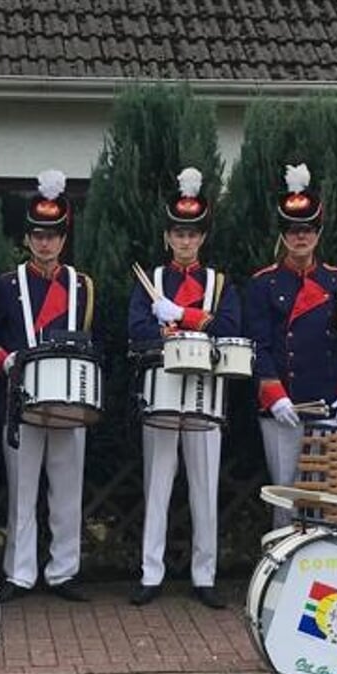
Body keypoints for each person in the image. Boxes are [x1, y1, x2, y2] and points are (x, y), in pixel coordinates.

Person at [0, 170, 97, 602]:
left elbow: (91, 340)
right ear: (27, 238)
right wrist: (4, 359)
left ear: (63, 239)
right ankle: (20, 573)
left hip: (69, 401)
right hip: (21, 399)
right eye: (37, 235)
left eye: (53, 235)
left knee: (67, 491)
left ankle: (64, 572)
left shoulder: (81, 286)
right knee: (22, 492)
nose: (45, 243)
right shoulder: (7, 285)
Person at [128, 167, 242, 607]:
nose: (185, 241)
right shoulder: (151, 280)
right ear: (167, 236)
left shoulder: (219, 283)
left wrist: (184, 316)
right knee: (156, 484)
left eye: (193, 234)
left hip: (206, 393)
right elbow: (135, 330)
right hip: (160, 389)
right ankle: (150, 572)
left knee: (204, 487)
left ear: (203, 238)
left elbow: (232, 328)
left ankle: (205, 575)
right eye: (178, 233)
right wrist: (163, 331)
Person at [245, 163, 337, 530]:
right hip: (284, 408)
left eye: (308, 230)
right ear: (283, 235)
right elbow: (258, 347)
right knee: (287, 499)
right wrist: (274, 396)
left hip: (330, 405)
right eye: (294, 231)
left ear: (319, 232)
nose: (301, 237)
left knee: (331, 500)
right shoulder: (263, 284)